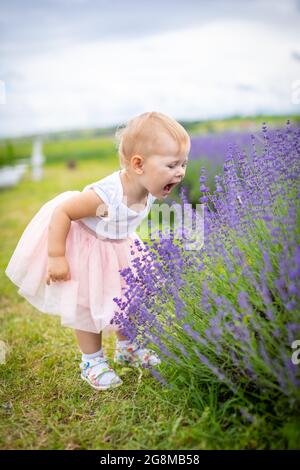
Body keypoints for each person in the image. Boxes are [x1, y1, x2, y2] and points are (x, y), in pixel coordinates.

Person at [5, 111, 190, 391]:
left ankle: (128, 347)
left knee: (131, 299)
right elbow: (63, 212)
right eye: (172, 165)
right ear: (138, 164)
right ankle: (92, 361)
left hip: (119, 245)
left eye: (183, 164)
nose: (180, 172)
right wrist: (57, 256)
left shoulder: (151, 188)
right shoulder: (107, 195)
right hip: (88, 247)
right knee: (90, 306)